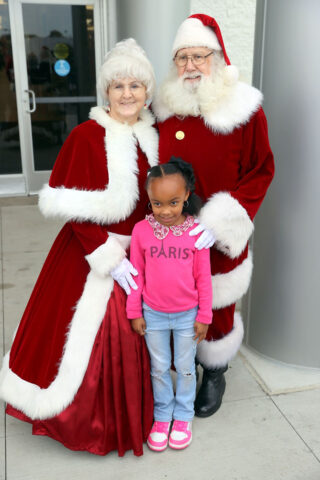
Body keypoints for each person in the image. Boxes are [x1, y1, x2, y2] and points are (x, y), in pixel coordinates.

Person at [0, 38, 159, 457]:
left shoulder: (153, 136)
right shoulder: (86, 136)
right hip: (90, 253)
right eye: (118, 85)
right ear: (106, 91)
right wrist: (108, 255)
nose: (127, 94)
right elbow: (73, 210)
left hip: (141, 254)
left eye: (136, 86)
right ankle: (86, 424)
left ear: (147, 92)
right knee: (85, 339)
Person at [153, 14, 275, 417]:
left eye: (198, 56)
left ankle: (215, 369)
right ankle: (176, 367)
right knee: (172, 299)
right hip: (169, 230)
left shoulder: (245, 107)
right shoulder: (164, 107)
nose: (190, 66)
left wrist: (225, 219)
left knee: (217, 300)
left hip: (218, 233)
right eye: (182, 57)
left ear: (217, 57)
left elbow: (262, 169)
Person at [126, 157, 212, 451]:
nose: (165, 211)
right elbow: (136, 275)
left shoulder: (196, 233)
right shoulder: (141, 232)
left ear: (187, 195)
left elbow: (204, 279)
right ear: (149, 199)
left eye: (173, 202)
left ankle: (183, 414)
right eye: (157, 204)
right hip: (154, 315)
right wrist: (134, 311)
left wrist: (205, 315)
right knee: (160, 367)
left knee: (185, 366)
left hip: (188, 315)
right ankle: (163, 415)